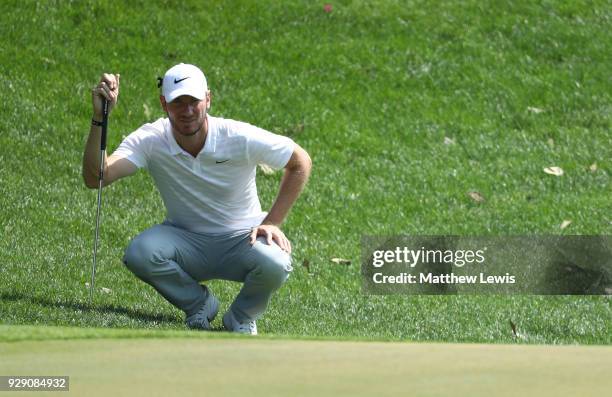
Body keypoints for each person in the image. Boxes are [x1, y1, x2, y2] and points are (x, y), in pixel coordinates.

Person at [83, 63, 311, 335]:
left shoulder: (237, 136)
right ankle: (199, 305)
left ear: (208, 99)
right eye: (178, 102)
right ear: (163, 104)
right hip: (187, 242)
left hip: (242, 241)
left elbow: (300, 161)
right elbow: (97, 176)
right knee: (140, 252)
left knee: (276, 261)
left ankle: (240, 317)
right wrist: (100, 118)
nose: (187, 111)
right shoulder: (151, 139)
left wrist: (272, 222)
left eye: (194, 101)